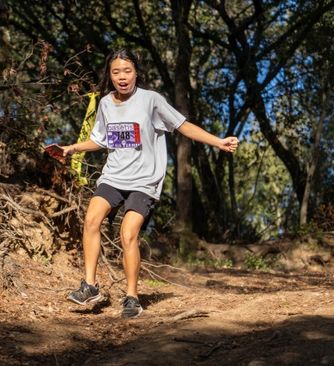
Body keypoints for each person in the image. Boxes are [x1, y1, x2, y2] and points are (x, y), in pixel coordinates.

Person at [62, 49, 238, 318]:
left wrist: (218, 141)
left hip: (144, 181)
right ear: (109, 75)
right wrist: (72, 148)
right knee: (91, 220)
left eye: (127, 71)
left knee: (128, 233)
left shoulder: (151, 100)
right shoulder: (106, 103)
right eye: (116, 72)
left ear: (136, 73)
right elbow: (101, 140)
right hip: (114, 176)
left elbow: (182, 126)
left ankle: (132, 297)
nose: (122, 77)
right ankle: (89, 286)